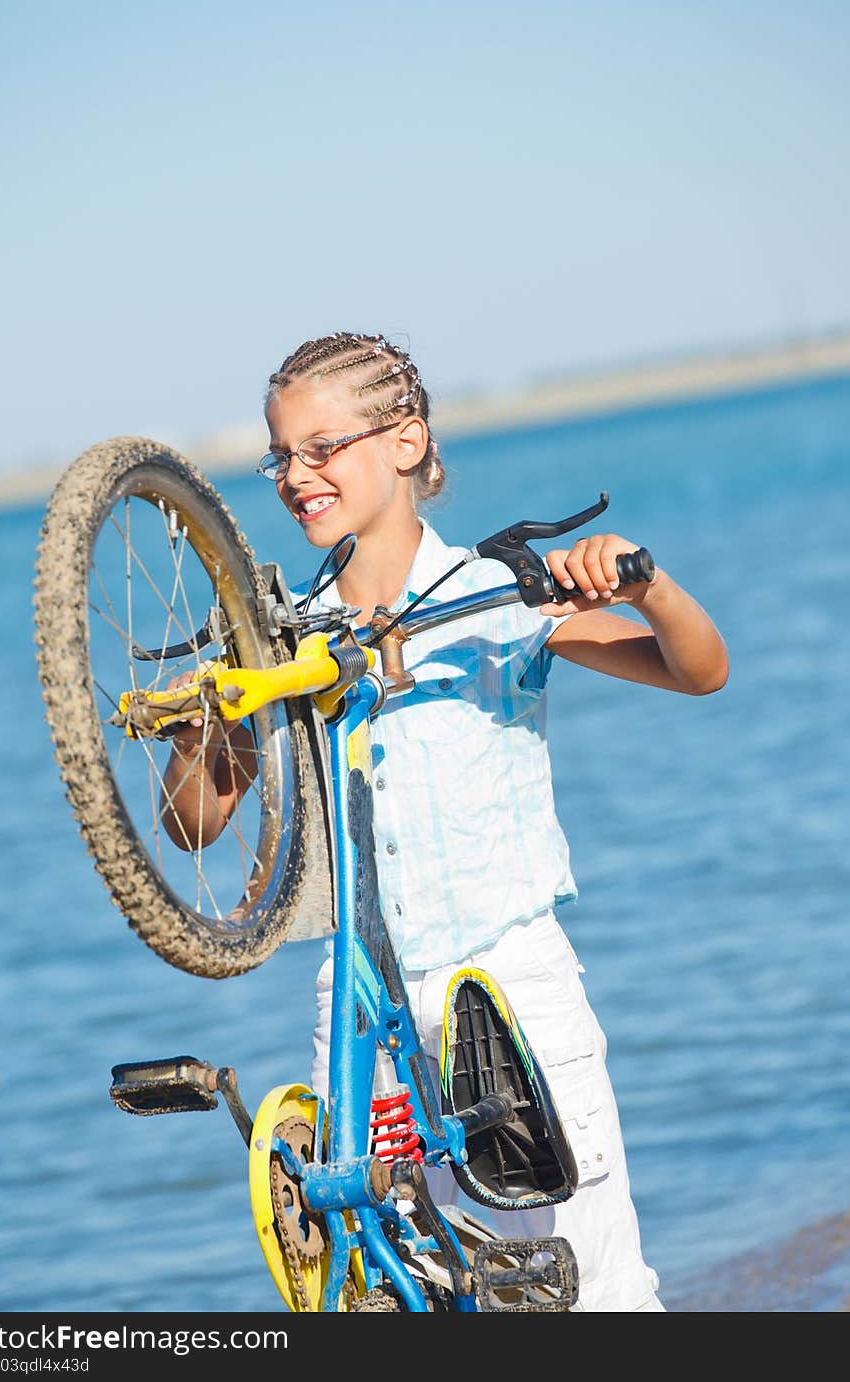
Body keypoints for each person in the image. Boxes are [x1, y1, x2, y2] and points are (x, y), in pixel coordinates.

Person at [164, 330, 729, 1311]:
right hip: (362, 1010)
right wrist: (202, 721)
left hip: (506, 983)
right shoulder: (286, 629)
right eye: (279, 456)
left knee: (584, 1290)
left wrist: (645, 585)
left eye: (321, 448)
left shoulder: (501, 597)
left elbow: (697, 669)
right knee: (406, 1296)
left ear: (406, 440)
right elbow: (193, 824)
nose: (295, 478)